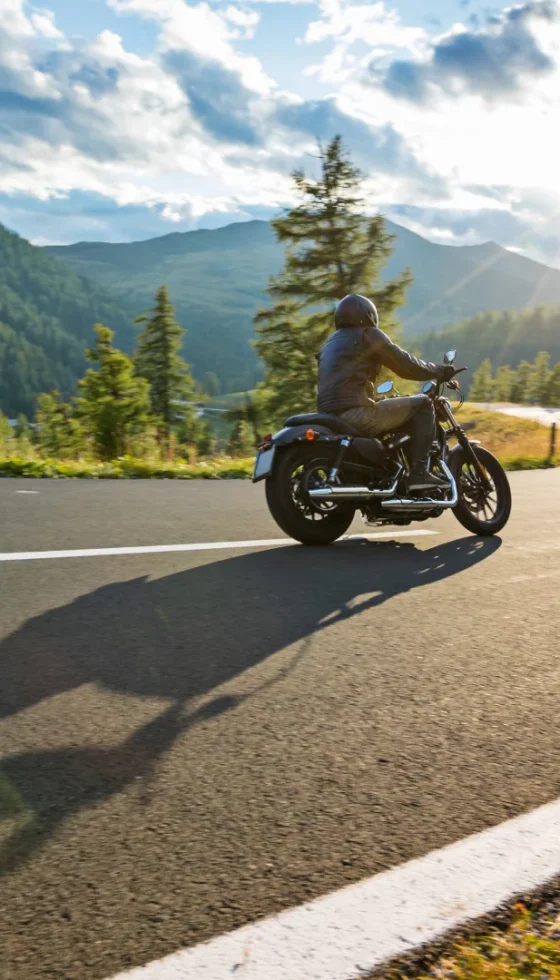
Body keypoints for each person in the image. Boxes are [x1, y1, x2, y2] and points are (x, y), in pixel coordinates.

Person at [317, 293, 456, 491]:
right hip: (356, 414)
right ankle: (418, 474)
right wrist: (439, 370)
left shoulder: (329, 344)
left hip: (329, 416)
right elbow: (405, 365)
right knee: (423, 404)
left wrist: (377, 398)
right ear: (368, 314)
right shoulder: (368, 334)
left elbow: (347, 383)